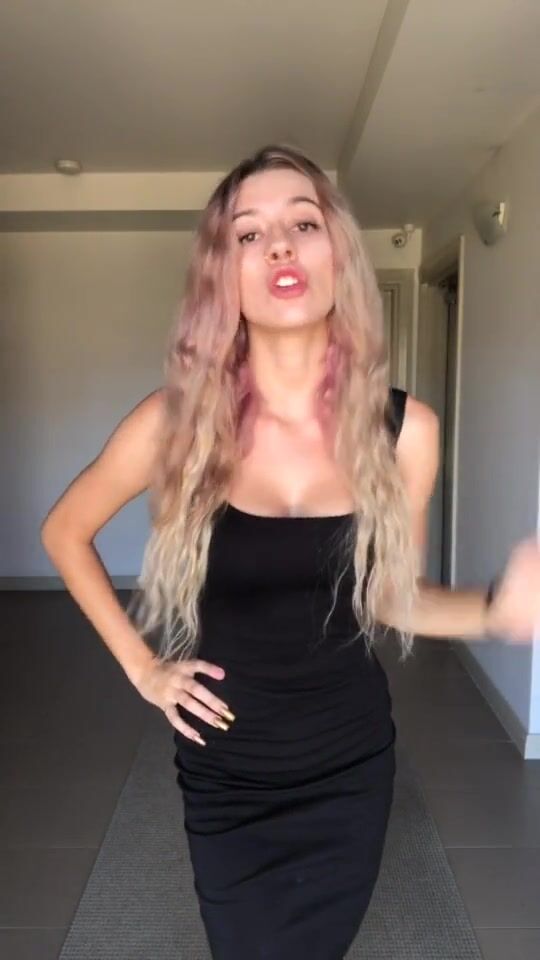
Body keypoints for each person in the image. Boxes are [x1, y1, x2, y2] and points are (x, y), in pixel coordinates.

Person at [41, 143, 540, 960]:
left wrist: (493, 610)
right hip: (226, 767)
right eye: (249, 234)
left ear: (337, 253)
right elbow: (65, 530)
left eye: (303, 224)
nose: (279, 245)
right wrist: (144, 669)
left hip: (349, 765)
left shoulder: (406, 433)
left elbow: (390, 596)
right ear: (224, 274)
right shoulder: (175, 424)